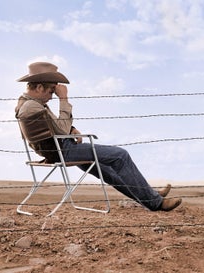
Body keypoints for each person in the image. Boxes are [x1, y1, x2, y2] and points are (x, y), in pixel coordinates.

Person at [15, 62, 182, 212]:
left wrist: (71, 129)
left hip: (59, 148)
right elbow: (60, 129)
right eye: (51, 91)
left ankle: (149, 195)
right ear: (39, 88)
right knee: (120, 155)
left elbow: (54, 127)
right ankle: (155, 202)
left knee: (107, 170)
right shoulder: (32, 106)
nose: (52, 96)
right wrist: (64, 99)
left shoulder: (30, 104)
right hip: (62, 150)